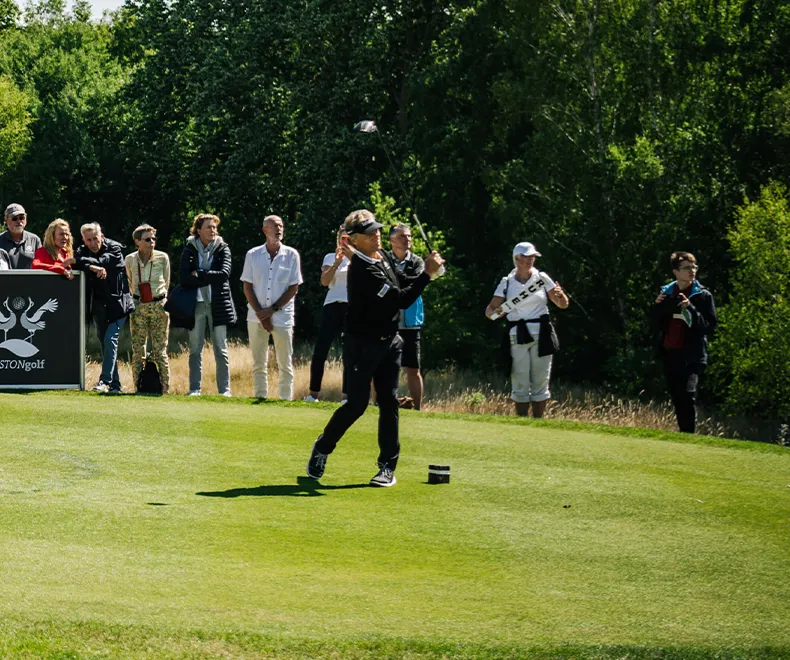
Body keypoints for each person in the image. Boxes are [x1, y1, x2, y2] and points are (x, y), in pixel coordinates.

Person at [306, 210, 445, 488]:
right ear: (354, 240)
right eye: (370, 234)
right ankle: (323, 447)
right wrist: (427, 275)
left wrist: (426, 272)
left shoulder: (380, 258)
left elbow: (401, 284)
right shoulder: (363, 269)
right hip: (362, 345)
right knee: (356, 405)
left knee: (388, 402)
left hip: (390, 342)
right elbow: (401, 300)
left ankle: (387, 466)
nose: (377, 235)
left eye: (378, 230)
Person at [485, 242, 569, 418]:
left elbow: (562, 304)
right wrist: (498, 313)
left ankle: (539, 421)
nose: (531, 259)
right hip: (517, 334)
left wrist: (561, 295)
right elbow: (490, 310)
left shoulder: (542, 278)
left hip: (542, 332)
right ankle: (522, 422)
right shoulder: (506, 282)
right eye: (527, 256)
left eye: (533, 257)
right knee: (520, 379)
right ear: (517, 259)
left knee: (541, 379)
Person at [650, 251, 717, 433]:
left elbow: (709, 327)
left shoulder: (703, 295)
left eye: (694, 267)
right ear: (675, 272)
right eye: (687, 268)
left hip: (693, 355)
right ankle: (684, 435)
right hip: (670, 352)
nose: (692, 271)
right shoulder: (666, 292)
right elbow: (653, 324)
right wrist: (657, 307)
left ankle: (689, 435)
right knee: (677, 396)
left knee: (688, 395)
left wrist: (691, 308)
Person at [241, 214, 303, 400]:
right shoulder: (253, 255)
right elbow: (247, 286)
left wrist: (272, 310)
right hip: (255, 316)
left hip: (282, 316)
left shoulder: (291, 255)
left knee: (285, 363)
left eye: (281, 226)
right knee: (259, 363)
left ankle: (285, 400)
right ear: (264, 230)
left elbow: (294, 287)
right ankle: (260, 397)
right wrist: (262, 314)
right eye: (274, 226)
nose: (279, 229)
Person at [180, 213, 237, 397]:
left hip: (217, 304)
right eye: (208, 227)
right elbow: (184, 277)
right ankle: (195, 389)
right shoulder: (189, 248)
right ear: (198, 230)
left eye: (214, 227)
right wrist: (205, 277)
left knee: (220, 348)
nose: (213, 230)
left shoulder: (223, 248)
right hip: (196, 305)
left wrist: (200, 274)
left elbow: (224, 274)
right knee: (195, 349)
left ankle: (225, 391)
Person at [75, 223, 134, 393]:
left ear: (102, 236)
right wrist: (91, 266)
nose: (93, 243)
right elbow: (78, 264)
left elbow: (104, 261)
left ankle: (104, 381)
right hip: (99, 305)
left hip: (119, 305)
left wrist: (82, 262)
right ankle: (116, 386)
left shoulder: (115, 248)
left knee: (110, 340)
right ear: (84, 240)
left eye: (96, 238)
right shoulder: (82, 250)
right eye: (89, 240)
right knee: (106, 345)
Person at [306, 226, 353, 403]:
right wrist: (337, 262)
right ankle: (313, 394)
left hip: (351, 306)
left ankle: (346, 396)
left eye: (348, 239)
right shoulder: (330, 257)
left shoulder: (358, 259)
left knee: (349, 351)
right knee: (321, 350)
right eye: (342, 239)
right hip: (332, 305)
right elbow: (325, 281)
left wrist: (350, 258)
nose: (345, 242)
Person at [125, 224, 171, 394]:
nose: (152, 242)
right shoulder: (130, 259)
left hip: (159, 305)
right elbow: (130, 282)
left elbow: (166, 280)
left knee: (160, 350)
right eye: (147, 239)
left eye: (153, 239)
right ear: (137, 242)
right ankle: (138, 387)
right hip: (138, 305)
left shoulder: (162, 257)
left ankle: (165, 388)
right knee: (138, 350)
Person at [388, 223, 426, 410]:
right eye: (403, 236)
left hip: (410, 321)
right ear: (392, 240)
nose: (408, 240)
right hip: (388, 320)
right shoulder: (384, 259)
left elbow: (416, 284)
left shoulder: (417, 262)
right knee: (382, 366)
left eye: (409, 236)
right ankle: (377, 404)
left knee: (413, 368)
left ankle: (418, 408)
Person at [0, 203, 42, 269]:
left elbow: (41, 265)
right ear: (6, 220)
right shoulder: (1, 240)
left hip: (30, 279)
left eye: (22, 218)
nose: (19, 221)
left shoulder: (34, 240)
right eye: (14, 218)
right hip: (6, 279)